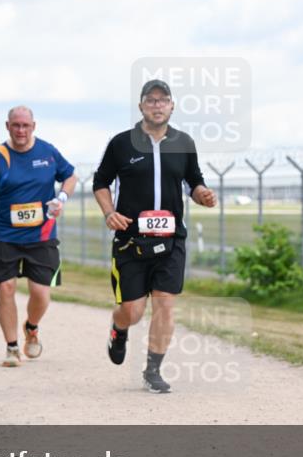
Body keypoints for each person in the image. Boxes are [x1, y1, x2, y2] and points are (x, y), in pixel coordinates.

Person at [93, 79, 218, 394]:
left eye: (164, 100)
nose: (158, 105)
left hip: (171, 239)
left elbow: (194, 181)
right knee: (133, 311)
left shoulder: (184, 142)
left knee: (165, 304)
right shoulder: (121, 143)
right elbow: (101, 182)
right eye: (151, 100)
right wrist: (110, 213)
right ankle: (118, 330)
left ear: (172, 106)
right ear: (141, 106)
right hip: (131, 241)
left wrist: (201, 193)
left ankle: (153, 370)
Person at [0, 106, 77, 367]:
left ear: (33, 126)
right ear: (7, 126)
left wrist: (61, 198)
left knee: (41, 293)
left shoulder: (47, 152)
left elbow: (70, 176)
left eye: (25, 126)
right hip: (6, 234)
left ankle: (32, 326)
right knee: (6, 288)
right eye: (15, 125)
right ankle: (12, 348)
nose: (20, 130)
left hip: (42, 235)